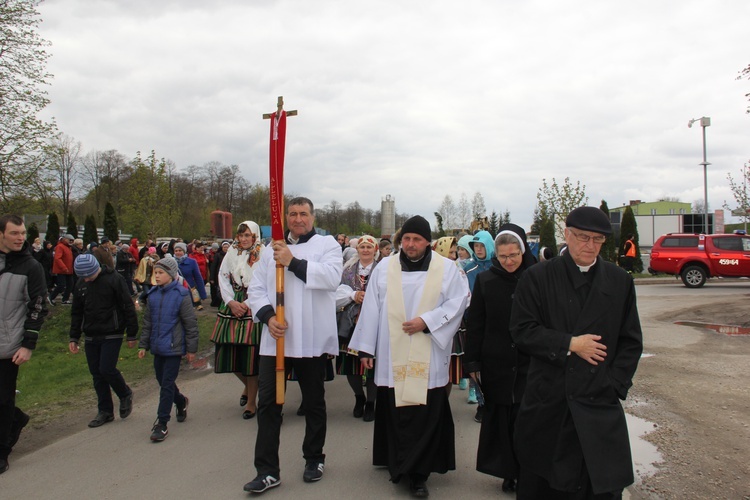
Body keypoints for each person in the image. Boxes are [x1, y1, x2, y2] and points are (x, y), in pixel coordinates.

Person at [510, 206, 643, 499]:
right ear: (567, 235)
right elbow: (522, 331)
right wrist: (570, 344)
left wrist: (615, 385)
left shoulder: (619, 281)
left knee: (599, 485)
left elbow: (631, 341)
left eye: (597, 239)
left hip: (599, 402)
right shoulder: (538, 277)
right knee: (547, 483)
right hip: (551, 401)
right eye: (583, 237)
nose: (590, 246)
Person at [348, 215, 469, 498]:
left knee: (423, 411)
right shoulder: (386, 268)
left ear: (428, 242)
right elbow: (373, 307)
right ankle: (396, 461)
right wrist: (367, 347)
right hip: (392, 352)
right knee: (395, 407)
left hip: (428, 350)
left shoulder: (446, 269)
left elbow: (458, 301)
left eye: (417, 239)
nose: (410, 244)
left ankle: (418, 472)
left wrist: (427, 321)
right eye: (406, 239)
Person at [244, 197, 342, 494]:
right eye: (293, 214)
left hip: (310, 339)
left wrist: (293, 262)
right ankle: (267, 470)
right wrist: (267, 316)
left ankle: (314, 458)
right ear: (285, 217)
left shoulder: (328, 246)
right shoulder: (268, 251)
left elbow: (331, 279)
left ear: (313, 217)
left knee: (313, 402)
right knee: (269, 406)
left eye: (303, 214)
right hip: (276, 339)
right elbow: (256, 288)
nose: (298, 219)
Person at [464, 223, 537, 493]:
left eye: (513, 256)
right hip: (496, 360)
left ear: (523, 252)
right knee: (502, 418)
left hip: (531, 360)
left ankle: (527, 470)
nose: (508, 262)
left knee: (527, 418)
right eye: (503, 256)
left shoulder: (536, 277)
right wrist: (472, 363)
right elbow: (476, 324)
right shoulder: (487, 280)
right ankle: (508, 471)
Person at [0, 215, 48, 474]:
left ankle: (2, 449)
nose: (20, 238)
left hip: (9, 345)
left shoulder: (31, 267)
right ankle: (17, 419)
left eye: (22, 233)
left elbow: (38, 308)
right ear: (1, 234)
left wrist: (28, 344)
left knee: (3, 399)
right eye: (14, 233)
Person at [69, 254, 139, 428]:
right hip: (91, 333)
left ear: (96, 269)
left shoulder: (114, 279)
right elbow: (77, 312)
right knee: (97, 374)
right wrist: (74, 336)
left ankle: (124, 393)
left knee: (106, 369)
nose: (86, 279)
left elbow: (127, 306)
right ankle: (105, 411)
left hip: (112, 331)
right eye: (83, 277)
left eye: (89, 275)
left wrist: (131, 333)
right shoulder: (81, 284)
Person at [137, 256, 199, 442]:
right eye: (155, 272)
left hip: (173, 347)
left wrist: (191, 349)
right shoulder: (153, 295)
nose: (156, 276)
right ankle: (180, 401)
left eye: (160, 273)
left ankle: (162, 423)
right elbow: (148, 322)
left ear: (171, 274)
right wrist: (143, 344)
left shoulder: (181, 295)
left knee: (166, 384)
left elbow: (190, 324)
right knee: (162, 380)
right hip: (157, 346)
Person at [212, 222, 264, 419]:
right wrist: (231, 301)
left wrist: (249, 304)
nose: (243, 239)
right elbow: (223, 276)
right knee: (228, 351)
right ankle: (248, 388)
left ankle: (251, 401)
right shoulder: (232, 252)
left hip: (253, 304)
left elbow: (266, 282)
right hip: (233, 304)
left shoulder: (262, 254)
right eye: (241, 235)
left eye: (247, 235)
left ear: (254, 236)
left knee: (250, 357)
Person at [335, 235, 379, 422]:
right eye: (362, 247)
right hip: (350, 321)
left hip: (374, 322)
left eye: (369, 247)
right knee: (350, 365)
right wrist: (354, 294)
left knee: (372, 363)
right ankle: (358, 397)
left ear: (375, 250)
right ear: (357, 250)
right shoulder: (347, 270)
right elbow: (336, 292)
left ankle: (371, 401)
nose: (366, 250)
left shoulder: (382, 269)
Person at [174, 242, 207, 310]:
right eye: (176, 251)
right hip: (174, 291)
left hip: (188, 291)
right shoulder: (171, 262)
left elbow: (198, 278)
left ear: (184, 251)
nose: (178, 252)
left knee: (187, 312)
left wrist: (202, 294)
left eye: (180, 250)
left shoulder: (192, 262)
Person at [49, 234, 75, 305]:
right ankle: (51, 297)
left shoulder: (69, 247)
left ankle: (65, 299)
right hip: (62, 270)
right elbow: (57, 258)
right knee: (61, 285)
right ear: (65, 239)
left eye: (72, 241)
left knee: (70, 284)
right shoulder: (60, 246)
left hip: (69, 270)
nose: (71, 242)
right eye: (70, 240)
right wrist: (63, 267)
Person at [209, 240, 230, 307]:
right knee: (220, 290)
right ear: (222, 247)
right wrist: (212, 278)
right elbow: (213, 267)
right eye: (224, 247)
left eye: (227, 247)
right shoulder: (218, 255)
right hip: (219, 275)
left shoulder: (231, 255)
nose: (226, 249)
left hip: (228, 276)